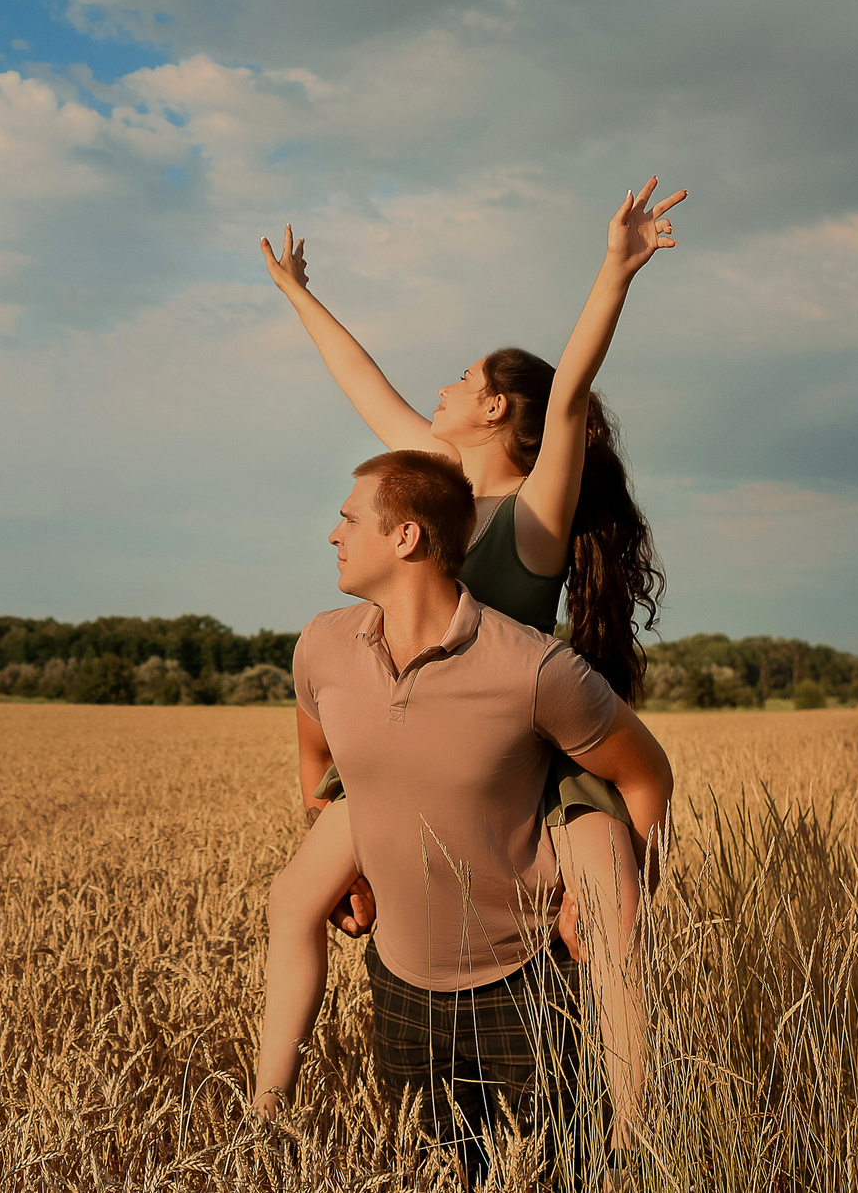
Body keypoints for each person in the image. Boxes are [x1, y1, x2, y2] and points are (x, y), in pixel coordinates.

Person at [255, 179, 685, 1149]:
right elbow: (362, 382)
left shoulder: (532, 516)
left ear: (493, 406)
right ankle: (264, 1120)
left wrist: (615, 270)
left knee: (611, 913)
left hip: (520, 741)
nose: (439, 391)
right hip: (414, 730)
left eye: (459, 378)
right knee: (292, 898)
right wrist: (296, 293)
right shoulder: (436, 488)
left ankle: (633, 1133)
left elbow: (567, 396)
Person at [253, 452, 674, 1173]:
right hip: (401, 990)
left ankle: (637, 1150)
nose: (333, 534)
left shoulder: (533, 670)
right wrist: (343, 858)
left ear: (406, 536)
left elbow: (646, 773)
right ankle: (262, 1119)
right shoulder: (321, 645)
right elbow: (318, 759)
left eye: (350, 518)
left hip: (528, 992)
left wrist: (625, 883)